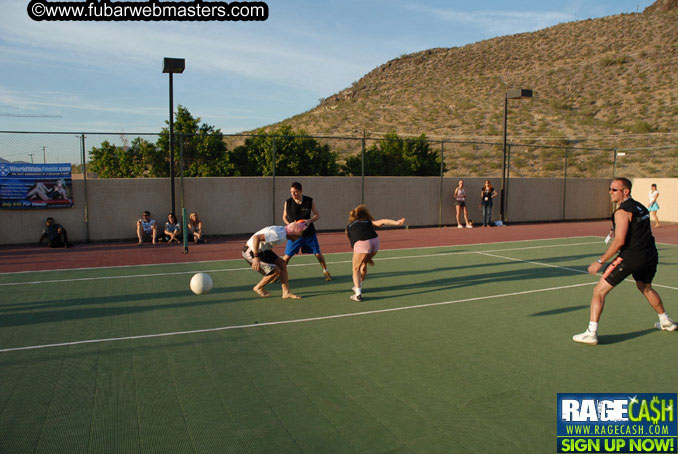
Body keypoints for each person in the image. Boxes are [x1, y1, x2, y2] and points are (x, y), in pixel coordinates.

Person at [573, 177, 676, 345]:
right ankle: (665, 320)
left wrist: (600, 261)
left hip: (631, 257)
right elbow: (638, 229)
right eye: (610, 189)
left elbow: (620, 241)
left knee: (599, 291)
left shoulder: (621, 212)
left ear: (625, 191)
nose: (610, 192)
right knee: (645, 287)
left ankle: (591, 333)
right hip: (650, 254)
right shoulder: (640, 207)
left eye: (614, 189)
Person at [346, 204, 405, 301]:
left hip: (363, 243)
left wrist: (358, 249)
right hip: (375, 242)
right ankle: (358, 285)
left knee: (355, 268)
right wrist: (397, 222)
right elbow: (382, 221)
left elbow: (352, 240)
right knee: (363, 263)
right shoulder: (367, 222)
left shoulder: (349, 227)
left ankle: (357, 294)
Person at [242, 221, 308, 299]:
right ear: (292, 234)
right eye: (298, 235)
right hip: (251, 251)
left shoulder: (284, 231)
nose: (299, 238)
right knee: (275, 271)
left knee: (282, 263)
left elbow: (269, 241)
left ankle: (286, 293)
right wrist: (256, 257)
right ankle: (258, 287)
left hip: (263, 250)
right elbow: (256, 238)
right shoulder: (278, 235)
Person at [282, 182, 332, 281]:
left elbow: (317, 215)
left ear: (301, 191)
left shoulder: (309, 201)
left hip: (308, 233)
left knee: (318, 254)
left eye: (295, 192)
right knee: (286, 257)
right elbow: (284, 217)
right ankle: (277, 273)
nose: (293, 194)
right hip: (295, 235)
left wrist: (309, 221)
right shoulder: (288, 202)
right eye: (291, 192)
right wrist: (290, 225)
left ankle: (326, 271)